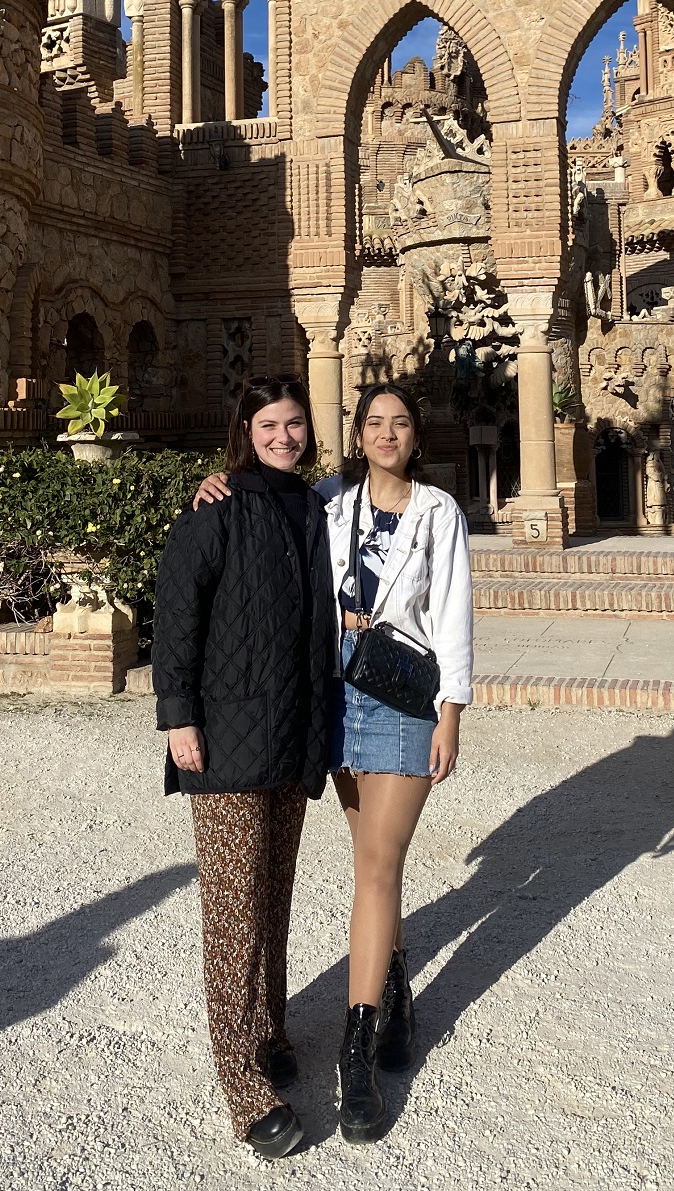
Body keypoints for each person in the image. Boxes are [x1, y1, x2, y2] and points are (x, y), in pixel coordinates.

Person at [194, 380, 473, 1144]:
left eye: (401, 423)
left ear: (417, 436)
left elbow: (452, 615)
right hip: (339, 700)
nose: (387, 434)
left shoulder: (438, 512)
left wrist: (453, 711)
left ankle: (356, 1058)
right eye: (374, 422)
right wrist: (211, 481)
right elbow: (262, 491)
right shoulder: (327, 500)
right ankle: (394, 986)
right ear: (355, 436)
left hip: (407, 702)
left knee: (379, 864)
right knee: (370, 860)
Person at [152, 375, 338, 1160]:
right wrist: (177, 718)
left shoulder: (319, 508)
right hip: (225, 736)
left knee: (273, 893)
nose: (284, 436)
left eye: (294, 424)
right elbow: (177, 614)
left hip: (291, 731)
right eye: (270, 424)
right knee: (232, 910)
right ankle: (239, 1081)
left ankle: (268, 1029)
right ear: (246, 429)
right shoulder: (217, 507)